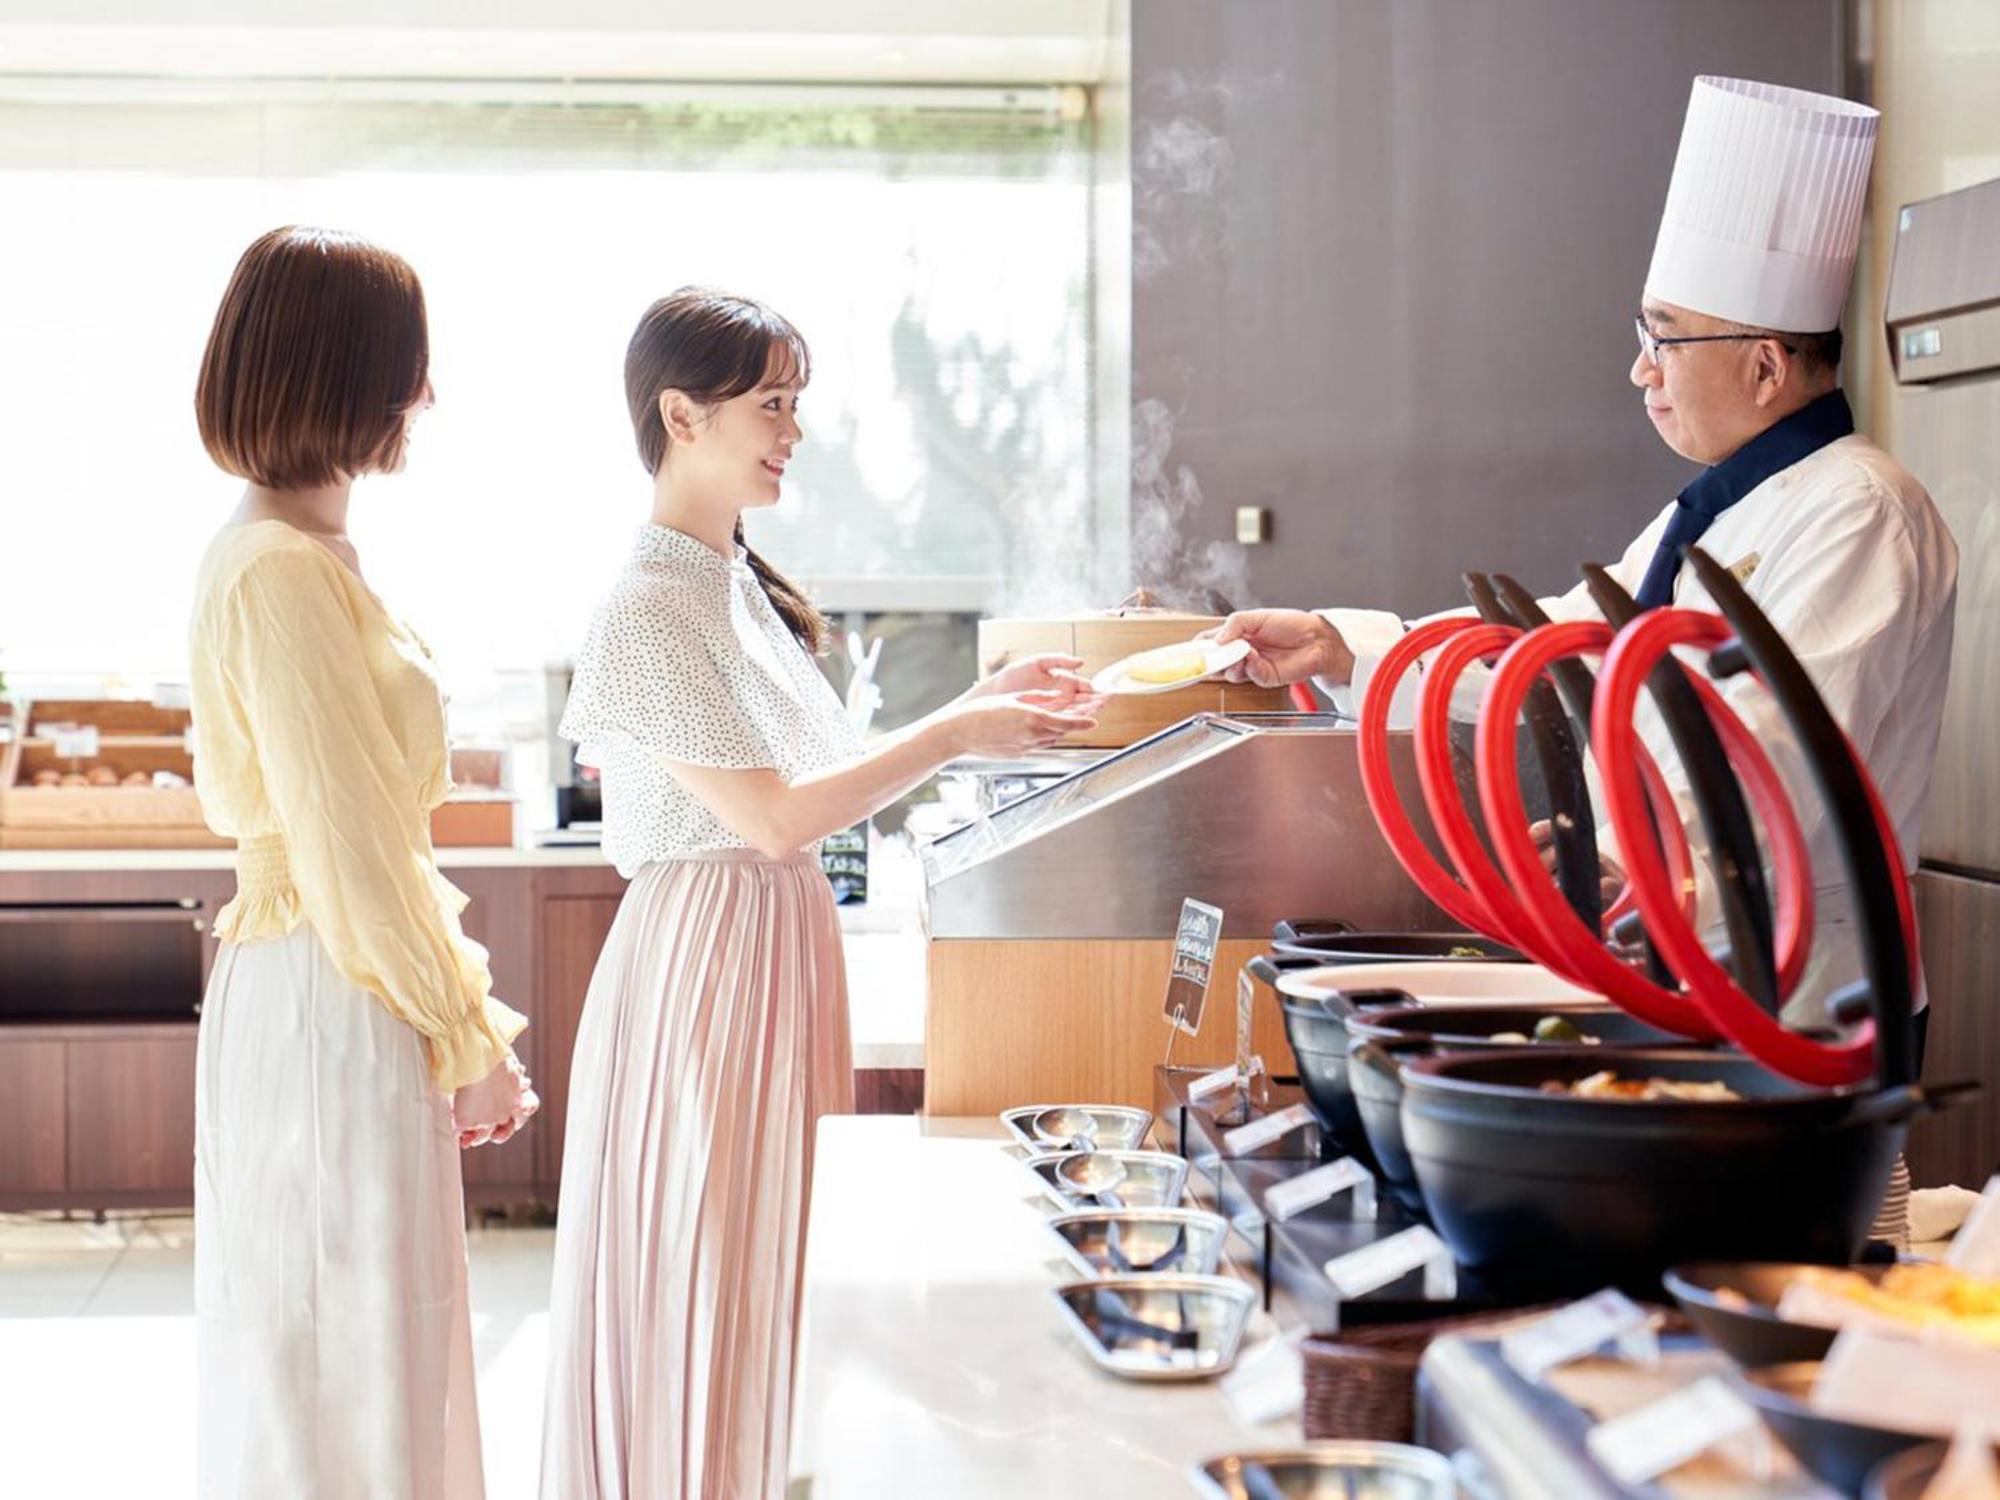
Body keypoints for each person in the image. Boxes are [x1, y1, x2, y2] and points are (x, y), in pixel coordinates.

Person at [1214, 77, 1958, 1028]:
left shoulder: (1862, 512)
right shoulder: (1726, 507)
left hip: (1799, 1008)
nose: (1640, 367)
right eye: (1642, 332)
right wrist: (1344, 644)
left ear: (1767, 365)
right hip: (1675, 965)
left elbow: (1771, 748)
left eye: (1666, 338)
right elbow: (1565, 646)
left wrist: (1622, 857)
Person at [539, 287, 1100, 1499]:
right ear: (680, 415)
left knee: (766, 1253)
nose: (792, 431)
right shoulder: (644, 606)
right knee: (714, 1250)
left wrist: (976, 719)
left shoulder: (730, 582)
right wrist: (961, 728)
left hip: (767, 939)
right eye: (772, 405)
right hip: (706, 953)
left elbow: (801, 800)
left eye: (797, 404)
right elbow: (774, 816)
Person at [187, 226, 538, 1499]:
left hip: (332, 981)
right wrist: (467, 1035)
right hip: (332, 992)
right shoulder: (278, 573)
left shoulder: (302, 555)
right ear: (340, 374)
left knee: (360, 1344)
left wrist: (453, 1025)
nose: (426, 396)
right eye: (410, 366)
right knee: (347, 1352)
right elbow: (349, 851)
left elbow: (362, 842)